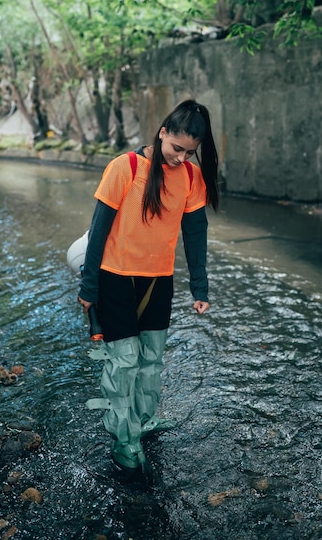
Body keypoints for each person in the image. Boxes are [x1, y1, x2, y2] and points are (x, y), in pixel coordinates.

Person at [77, 99, 219, 472]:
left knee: (151, 361)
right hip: (115, 278)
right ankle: (124, 439)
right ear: (162, 133)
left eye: (191, 152)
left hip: (159, 281)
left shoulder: (190, 176)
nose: (181, 158)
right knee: (124, 362)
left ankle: (143, 421)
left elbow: (195, 233)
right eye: (176, 148)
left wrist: (200, 288)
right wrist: (88, 288)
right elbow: (99, 230)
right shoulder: (125, 167)